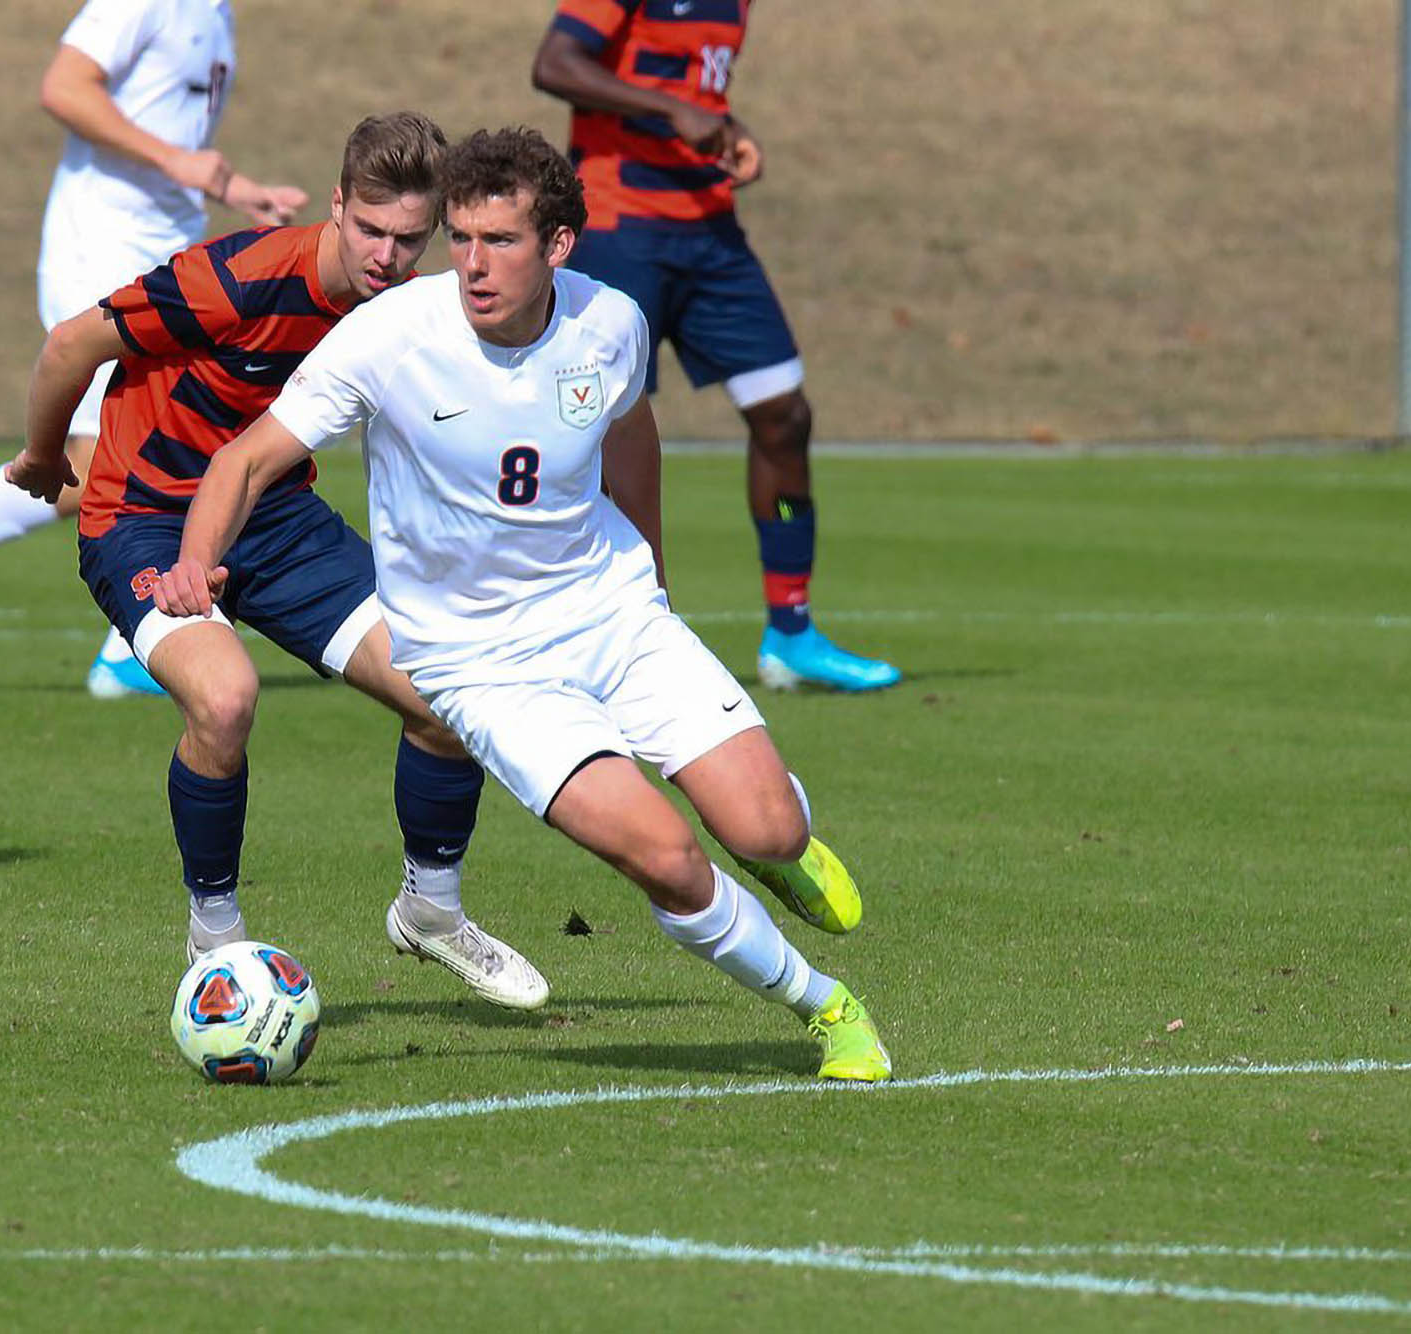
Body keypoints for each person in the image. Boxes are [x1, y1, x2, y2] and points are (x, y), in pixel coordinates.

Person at [160, 127, 889, 1080]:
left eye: (499, 241)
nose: (471, 264)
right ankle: (828, 1008)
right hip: (480, 666)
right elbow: (247, 456)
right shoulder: (389, 338)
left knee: (766, 828)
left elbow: (632, 430)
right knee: (666, 857)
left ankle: (782, 849)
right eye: (459, 238)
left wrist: (654, 575)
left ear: (558, 247)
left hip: (612, 616)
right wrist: (195, 561)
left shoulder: (610, 324)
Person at [1, 113, 548, 1009]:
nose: (387, 256)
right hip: (141, 517)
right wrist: (39, 453)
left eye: (412, 240)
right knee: (225, 700)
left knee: (448, 693)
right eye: (370, 230)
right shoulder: (240, 277)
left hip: (276, 517)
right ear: (336, 205)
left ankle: (432, 909)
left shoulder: (414, 308)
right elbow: (72, 342)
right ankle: (214, 936)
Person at [0, 0, 306, 698]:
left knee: (197, 434)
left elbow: (176, 129)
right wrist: (178, 162)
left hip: (164, 244)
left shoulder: (218, 12)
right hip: (101, 240)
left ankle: (135, 638)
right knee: (100, 458)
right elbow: (63, 86)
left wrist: (238, 190)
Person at [532, 1, 900, 693]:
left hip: (709, 233)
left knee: (785, 417)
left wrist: (725, 132)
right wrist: (671, 110)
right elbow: (554, 64)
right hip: (618, 225)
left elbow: (696, 95)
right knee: (597, 433)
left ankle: (791, 633)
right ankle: (590, 639)